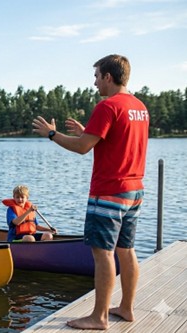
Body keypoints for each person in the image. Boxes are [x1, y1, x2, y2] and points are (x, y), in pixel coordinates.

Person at [32, 54, 149, 330]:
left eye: (97, 76)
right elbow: (118, 140)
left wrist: (52, 134)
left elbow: (82, 147)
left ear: (109, 76)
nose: (95, 82)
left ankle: (99, 317)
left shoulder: (107, 106)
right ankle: (127, 308)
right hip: (134, 191)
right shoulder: (139, 107)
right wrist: (89, 131)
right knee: (126, 250)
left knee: (103, 254)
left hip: (108, 193)